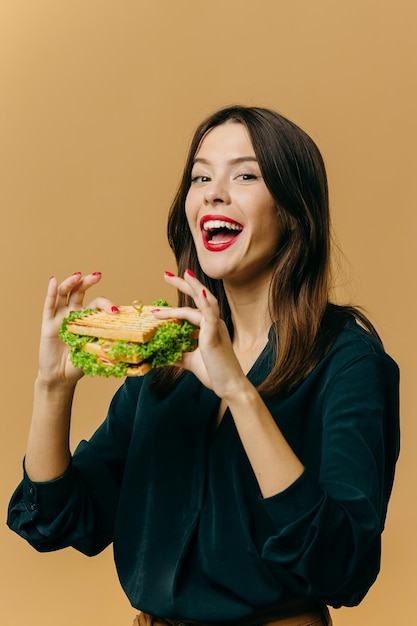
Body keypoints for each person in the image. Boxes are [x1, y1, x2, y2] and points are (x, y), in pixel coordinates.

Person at [7, 105, 400, 626]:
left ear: (293, 210)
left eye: (245, 174)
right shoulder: (169, 352)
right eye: (200, 176)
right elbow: (60, 520)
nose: (214, 191)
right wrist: (52, 388)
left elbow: (340, 565)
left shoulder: (350, 363)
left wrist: (239, 391)